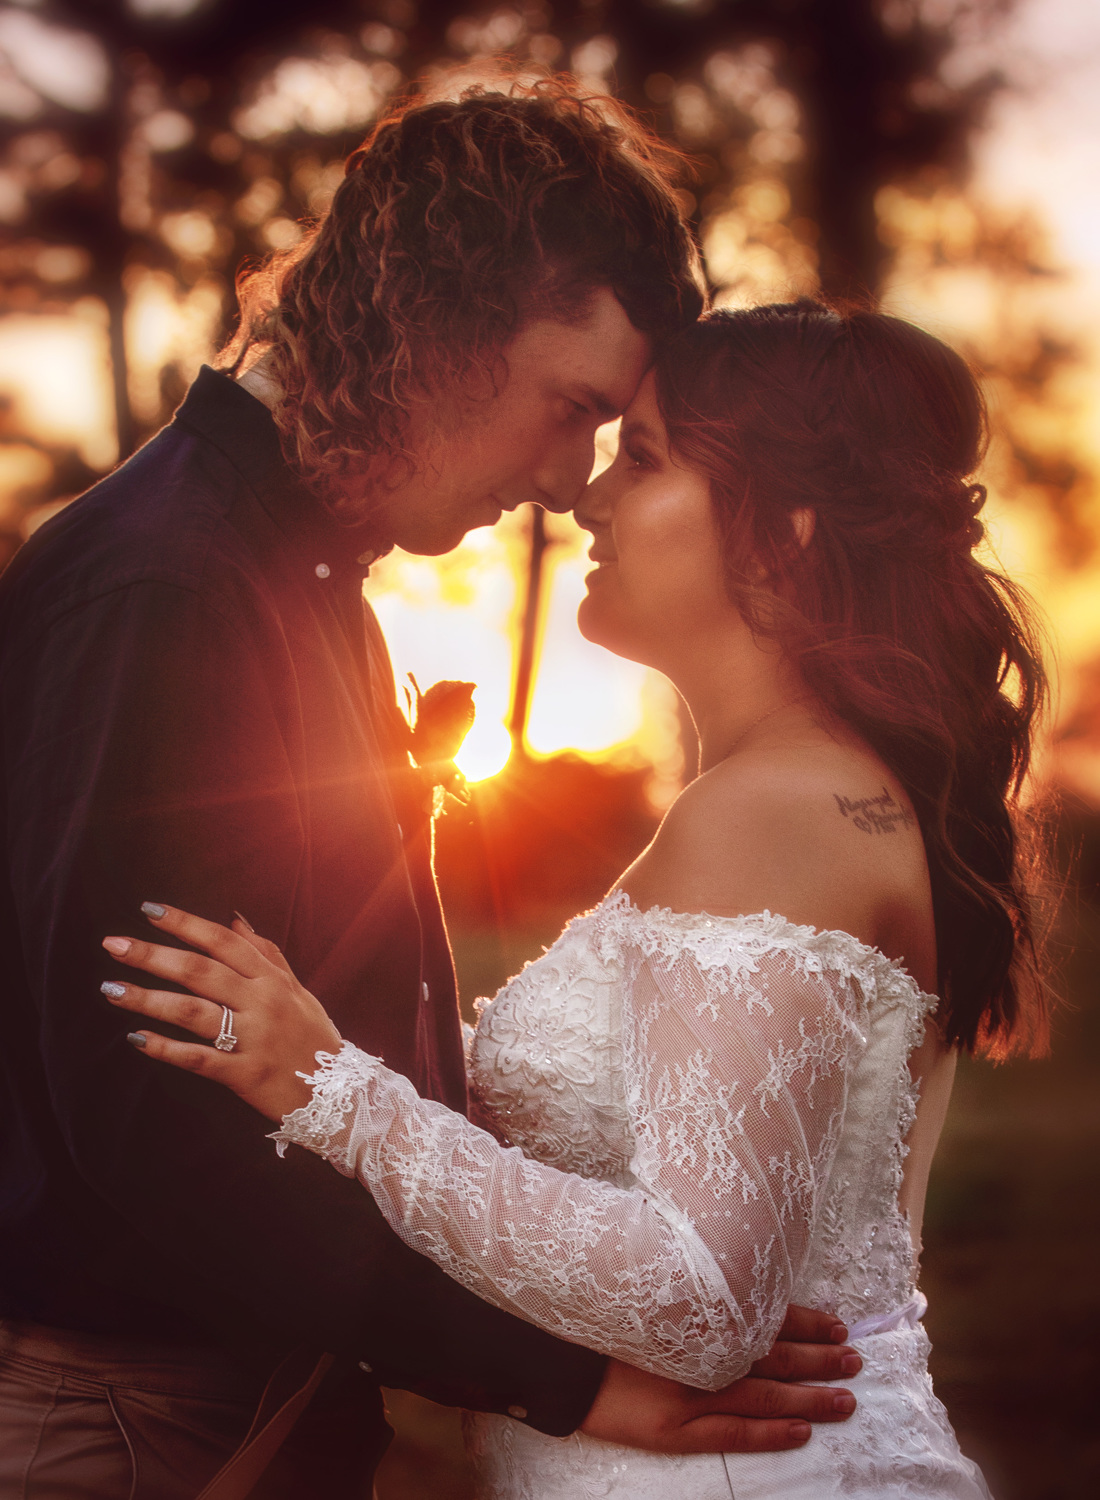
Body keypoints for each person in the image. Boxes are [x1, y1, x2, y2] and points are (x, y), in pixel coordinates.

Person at [0, 86, 859, 1499]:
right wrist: (560, 1372)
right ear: (437, 328)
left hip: (257, 1390)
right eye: (572, 408)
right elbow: (152, 1130)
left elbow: (323, 1030)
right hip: (132, 1423)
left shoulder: (303, 576)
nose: (567, 479)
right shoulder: (162, 586)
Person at [106, 300, 1051, 1499]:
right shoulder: (812, 794)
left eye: (643, 459)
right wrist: (333, 1031)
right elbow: (646, 1125)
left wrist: (337, 1096)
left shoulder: (769, 812)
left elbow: (701, 1300)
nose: (588, 500)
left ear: (785, 532)